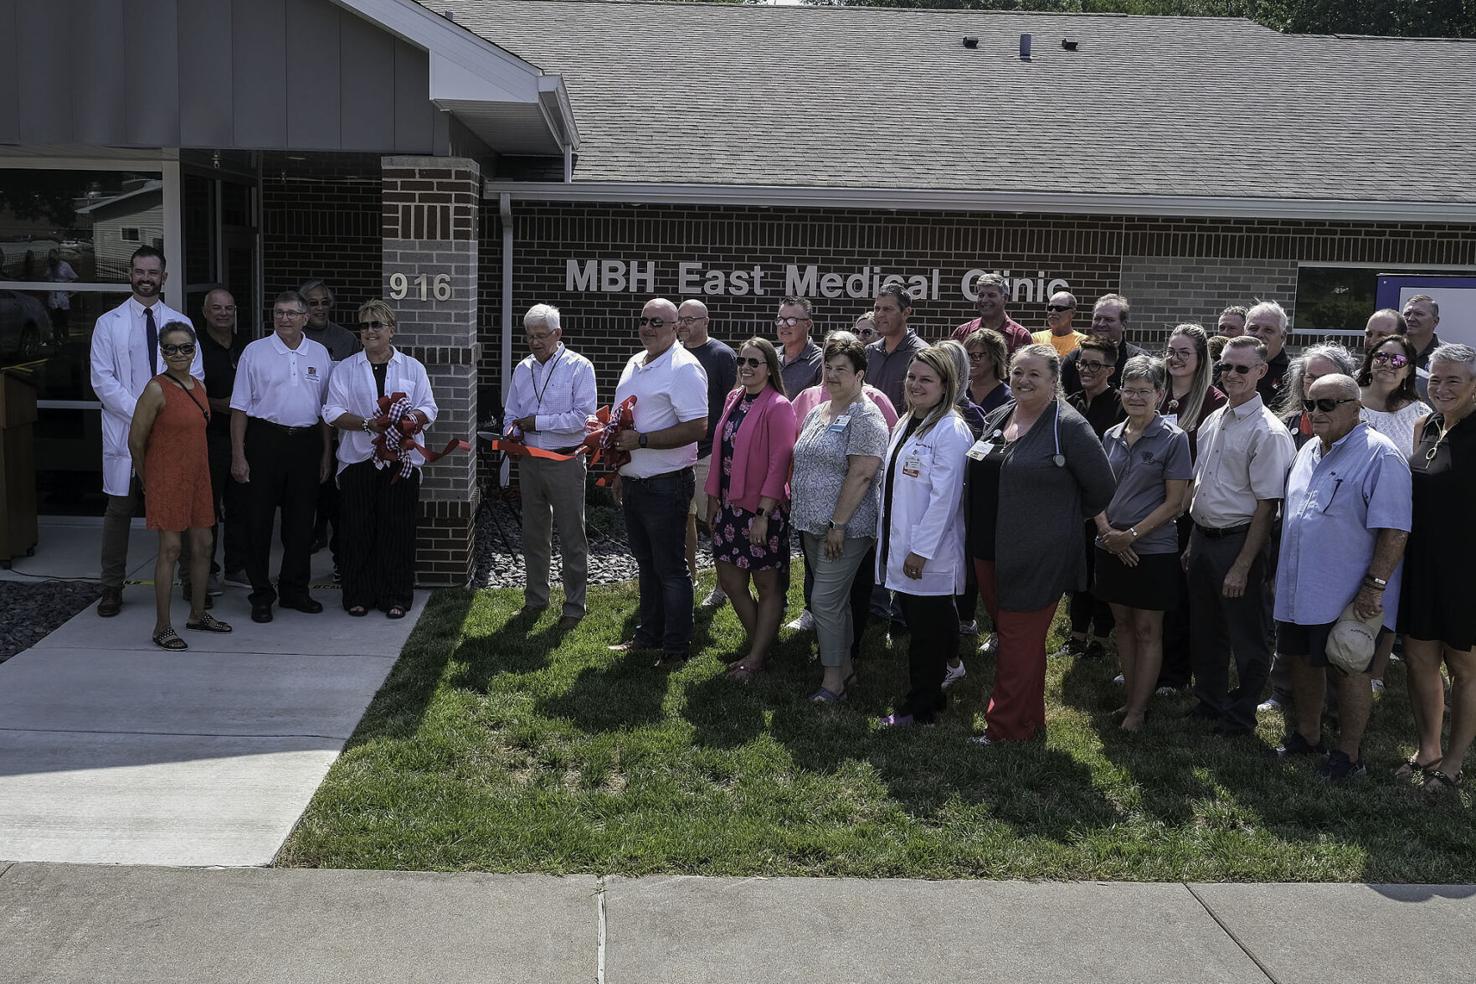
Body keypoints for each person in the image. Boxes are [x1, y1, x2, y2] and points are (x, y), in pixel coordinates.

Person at [968, 344, 1116, 743]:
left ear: (1054, 382)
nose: (1023, 380)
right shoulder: (1000, 416)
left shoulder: (1067, 425)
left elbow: (1102, 486)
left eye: (1034, 374)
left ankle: (1003, 730)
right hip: (988, 548)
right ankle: (1029, 722)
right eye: (1018, 372)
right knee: (1023, 642)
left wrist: (1058, 519)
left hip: (1037, 554)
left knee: (1016, 642)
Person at [1274, 373, 1410, 781]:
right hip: (1300, 586)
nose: (1316, 412)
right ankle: (1308, 735)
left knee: (1349, 669)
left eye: (1328, 404)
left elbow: (1395, 529)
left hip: (1346, 592)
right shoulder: (1308, 451)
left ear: (1356, 408)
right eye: (1311, 404)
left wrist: (1375, 587)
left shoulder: (1380, 456)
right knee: (1299, 659)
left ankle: (1349, 756)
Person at [1184, 335, 1296, 736]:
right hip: (1203, 538)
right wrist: (1193, 544)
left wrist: (1243, 565)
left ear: (1262, 372)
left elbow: (1268, 507)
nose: (1231, 374)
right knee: (1206, 627)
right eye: (1225, 366)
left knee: (1247, 635)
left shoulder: (1268, 432)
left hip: (1240, 542)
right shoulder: (1213, 419)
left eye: (1242, 368)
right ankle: (1210, 701)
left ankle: (1242, 711)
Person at [89, 245, 202, 617]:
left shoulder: (180, 322)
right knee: (120, 508)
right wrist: (143, 414)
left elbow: (193, 375)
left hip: (171, 432)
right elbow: (102, 381)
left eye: (153, 272)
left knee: (179, 507)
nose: (146, 278)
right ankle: (111, 588)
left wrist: (163, 414)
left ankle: (188, 579)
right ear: (130, 273)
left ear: (164, 277)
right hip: (126, 428)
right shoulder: (109, 323)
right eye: (140, 271)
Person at [1259, 342, 1360, 714]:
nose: (1313, 385)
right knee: (1288, 622)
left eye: (1322, 377)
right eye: (1309, 377)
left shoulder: (1363, 441)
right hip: (1288, 541)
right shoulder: (1287, 425)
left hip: (1337, 555)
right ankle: (1284, 690)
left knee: (1331, 633)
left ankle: (1335, 707)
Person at [1093, 356, 1192, 731]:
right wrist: (1107, 534)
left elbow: (1175, 503)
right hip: (1109, 546)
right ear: (1120, 393)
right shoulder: (1110, 435)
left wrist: (1130, 536)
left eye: (1144, 391)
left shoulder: (1173, 439)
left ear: (1160, 395)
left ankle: (1138, 711)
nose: (1136, 397)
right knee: (1122, 624)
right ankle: (1131, 699)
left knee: (1148, 629)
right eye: (1129, 390)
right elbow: (1097, 491)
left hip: (1151, 550)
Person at [876, 348, 974, 727]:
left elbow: (944, 499)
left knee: (925, 636)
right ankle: (938, 687)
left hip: (927, 553)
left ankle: (920, 710)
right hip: (901, 544)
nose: (916, 385)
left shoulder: (950, 430)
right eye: (912, 378)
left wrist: (920, 551)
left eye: (926, 380)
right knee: (929, 624)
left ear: (946, 386)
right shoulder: (909, 421)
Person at [323, 300, 438, 619]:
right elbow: (331, 411)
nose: (369, 331)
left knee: (397, 529)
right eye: (364, 325)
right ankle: (358, 594)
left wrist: (411, 419)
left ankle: (395, 596)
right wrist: (366, 423)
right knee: (357, 530)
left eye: (376, 325)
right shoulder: (345, 368)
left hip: (402, 463)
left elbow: (430, 407)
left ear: (391, 330)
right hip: (358, 461)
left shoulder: (412, 368)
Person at [610, 298, 709, 667]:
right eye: (643, 320)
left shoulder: (684, 368)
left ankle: (676, 649)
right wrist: (622, 471)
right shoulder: (636, 362)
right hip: (636, 480)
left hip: (667, 484)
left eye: (658, 322)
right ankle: (648, 636)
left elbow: (698, 427)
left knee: (671, 569)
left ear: (676, 328)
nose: (648, 327)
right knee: (646, 564)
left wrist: (644, 442)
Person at [790, 332, 889, 702]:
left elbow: (862, 474)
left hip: (845, 529)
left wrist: (838, 524)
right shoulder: (821, 410)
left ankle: (832, 682)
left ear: (860, 375)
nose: (831, 376)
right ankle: (846, 671)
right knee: (837, 602)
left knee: (824, 602)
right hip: (814, 525)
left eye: (841, 370)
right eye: (828, 368)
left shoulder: (866, 416)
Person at [1398, 343, 1476, 798]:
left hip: (1467, 567)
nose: (1442, 388)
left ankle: (1454, 762)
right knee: (1418, 657)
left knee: (1464, 667)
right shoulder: (1423, 425)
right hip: (1422, 562)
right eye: (1436, 379)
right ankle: (1427, 748)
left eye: (1454, 380)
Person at [229, 290, 334, 624]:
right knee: (258, 522)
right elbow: (239, 409)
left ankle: (294, 591)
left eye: (291, 313)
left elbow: (325, 411)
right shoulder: (255, 352)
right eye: (278, 313)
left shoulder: (319, 353)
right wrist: (238, 455)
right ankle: (261, 594)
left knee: (301, 524)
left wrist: (326, 454)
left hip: (305, 445)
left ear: (305, 318)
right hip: (265, 442)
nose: (284, 318)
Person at [126, 322, 232, 649]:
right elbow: (135, 441)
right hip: (167, 478)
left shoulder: (198, 387)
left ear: (194, 349)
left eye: (185, 347)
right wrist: (149, 482)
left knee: (203, 545)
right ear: (162, 352)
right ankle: (162, 626)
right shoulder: (156, 389)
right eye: (171, 348)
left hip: (198, 477)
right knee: (170, 550)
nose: (178, 354)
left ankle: (198, 614)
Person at [706, 338, 796, 682]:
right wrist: (714, 498)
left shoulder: (779, 406)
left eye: (754, 362)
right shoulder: (734, 399)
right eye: (742, 361)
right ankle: (763, 642)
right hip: (730, 507)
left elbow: (780, 463)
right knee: (730, 580)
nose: (745, 367)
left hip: (762, 511)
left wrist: (763, 513)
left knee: (767, 585)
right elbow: (721, 452)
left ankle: (757, 657)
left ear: (769, 367)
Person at [503, 303, 597, 628]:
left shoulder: (579, 367)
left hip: (565, 461)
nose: (535, 342)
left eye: (541, 335)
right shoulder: (522, 368)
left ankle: (574, 606)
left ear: (558, 334)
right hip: (529, 462)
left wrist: (535, 423)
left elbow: (582, 420)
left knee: (572, 535)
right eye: (530, 336)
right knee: (533, 534)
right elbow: (511, 411)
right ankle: (535, 599)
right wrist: (511, 432)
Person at [1154, 324, 1228, 692]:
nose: (1175, 358)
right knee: (1149, 592)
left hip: (1184, 511)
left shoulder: (1213, 401)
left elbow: (1208, 462)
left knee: (1178, 597)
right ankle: (1146, 663)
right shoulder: (1156, 393)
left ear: (1201, 360)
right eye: (1171, 350)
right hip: (1149, 506)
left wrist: (1181, 505)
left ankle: (1176, 673)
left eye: (1184, 352)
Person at [1060, 336, 1124, 661]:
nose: (1085, 369)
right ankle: (1075, 635)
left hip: (1108, 506)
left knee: (1101, 573)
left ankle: (1100, 638)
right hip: (1075, 505)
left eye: (1094, 365)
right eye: (1082, 363)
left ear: (1110, 370)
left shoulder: (1119, 405)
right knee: (1078, 572)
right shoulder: (1070, 403)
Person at [678, 299, 737, 609]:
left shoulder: (722, 355)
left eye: (690, 319)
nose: (684, 324)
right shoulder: (672, 356)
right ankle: (688, 579)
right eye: (680, 319)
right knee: (683, 518)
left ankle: (724, 586)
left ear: (706, 321)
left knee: (713, 521)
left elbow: (734, 403)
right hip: (676, 453)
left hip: (708, 453)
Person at [299, 279, 361, 570]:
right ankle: (314, 533)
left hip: (339, 430)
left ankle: (340, 555)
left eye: (325, 302)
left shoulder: (346, 339)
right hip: (304, 429)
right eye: (313, 303)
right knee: (307, 494)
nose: (320, 308)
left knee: (337, 497)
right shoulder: (293, 339)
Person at [191, 287, 248, 593]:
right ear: (205, 312)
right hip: (209, 437)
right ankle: (207, 569)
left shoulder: (245, 346)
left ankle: (236, 567)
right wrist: (215, 403)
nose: (223, 313)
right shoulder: (196, 347)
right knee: (208, 507)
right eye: (217, 308)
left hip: (242, 436)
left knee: (240, 504)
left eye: (228, 308)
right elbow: (187, 389)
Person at [1359, 333, 1432, 454]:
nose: (1387, 364)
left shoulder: (1420, 413)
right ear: (1371, 361)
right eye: (1381, 356)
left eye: (1398, 360)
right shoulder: (1347, 399)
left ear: (1408, 371)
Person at [1061, 294, 1144, 395]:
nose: (1101, 324)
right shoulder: (1073, 359)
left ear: (1123, 325)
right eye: (1097, 319)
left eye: (1109, 320)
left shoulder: (1137, 360)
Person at [865, 284, 928, 417]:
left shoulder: (922, 354)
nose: (880, 314)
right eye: (877, 308)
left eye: (887, 309)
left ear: (906, 313)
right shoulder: (869, 352)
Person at [952, 272, 1031, 354]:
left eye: (991, 295)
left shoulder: (1020, 336)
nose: (984, 300)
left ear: (1005, 298)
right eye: (981, 295)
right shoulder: (962, 332)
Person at [1244, 300, 1292, 406]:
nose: (1259, 334)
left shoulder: (1292, 375)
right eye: (1253, 328)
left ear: (1283, 336)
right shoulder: (1224, 367)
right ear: (1244, 332)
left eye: (1268, 330)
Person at [775, 296, 823, 398]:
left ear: (808, 324)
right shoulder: (770, 357)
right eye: (780, 319)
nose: (784, 325)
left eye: (791, 320)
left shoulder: (821, 361)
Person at [963, 327, 1011, 416]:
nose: (969, 360)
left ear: (994, 358)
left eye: (976, 355)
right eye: (967, 355)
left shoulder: (1008, 399)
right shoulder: (960, 393)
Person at [1031, 290, 1085, 357]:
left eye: (1059, 308)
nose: (1053, 312)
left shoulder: (1082, 342)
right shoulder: (1036, 338)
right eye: (1050, 308)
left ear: (1072, 313)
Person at [43, 248, 78, 340]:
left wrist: (68, 289)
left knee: (64, 323)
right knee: (55, 324)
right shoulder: (49, 267)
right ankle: (56, 342)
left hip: (63, 299)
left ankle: (66, 341)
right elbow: (45, 277)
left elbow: (75, 278)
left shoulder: (65, 266)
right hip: (52, 300)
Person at [1400, 294, 1442, 370]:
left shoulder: (1446, 355)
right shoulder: (1392, 351)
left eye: (1418, 314)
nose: (1410, 319)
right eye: (1407, 314)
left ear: (1435, 321)